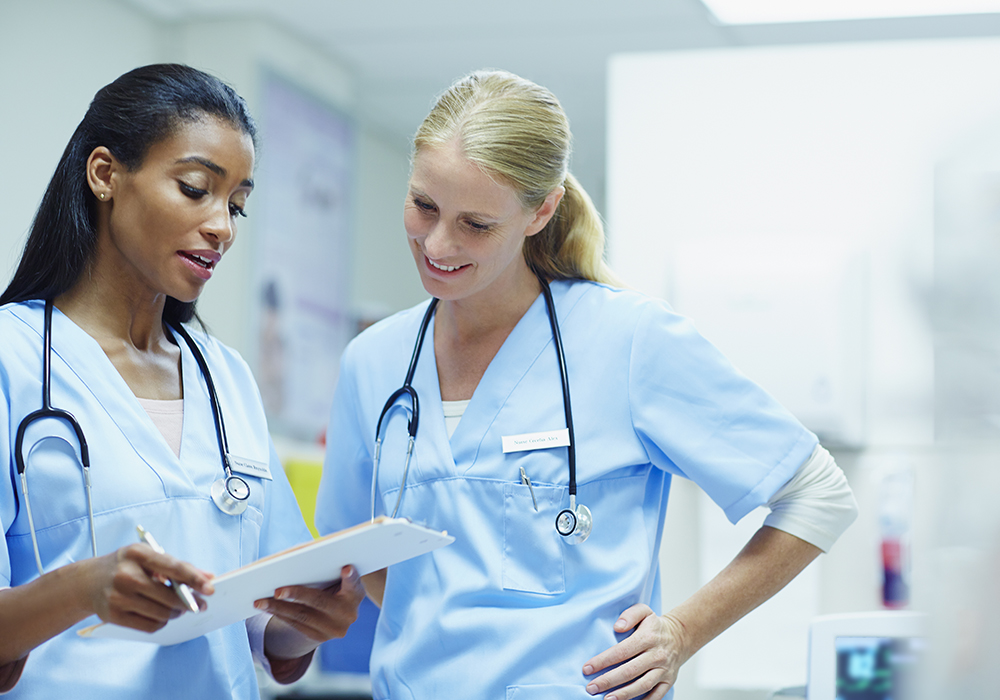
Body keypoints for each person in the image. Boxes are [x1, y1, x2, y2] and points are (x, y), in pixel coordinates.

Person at [315, 69, 859, 700]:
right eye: (424, 206)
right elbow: (363, 559)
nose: (437, 243)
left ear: (540, 211)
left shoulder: (627, 340)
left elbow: (819, 495)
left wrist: (681, 632)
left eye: (476, 224)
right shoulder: (373, 362)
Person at [0, 64, 364, 698]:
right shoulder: (13, 357)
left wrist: (307, 623)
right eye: (196, 189)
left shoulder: (224, 377)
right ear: (105, 174)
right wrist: (84, 588)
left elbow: (263, 618)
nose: (221, 225)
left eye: (237, 206)